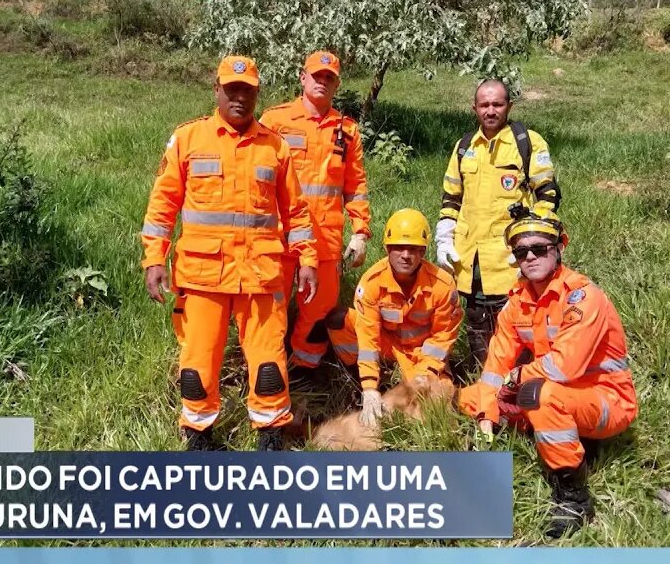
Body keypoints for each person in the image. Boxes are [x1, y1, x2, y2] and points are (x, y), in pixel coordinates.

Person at [140, 55, 319, 452]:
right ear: (216, 89)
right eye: (232, 89)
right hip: (203, 277)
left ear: (257, 94)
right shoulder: (188, 139)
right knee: (198, 363)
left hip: (261, 275)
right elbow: (162, 205)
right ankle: (199, 438)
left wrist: (307, 258)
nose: (240, 97)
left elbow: (296, 212)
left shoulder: (275, 147)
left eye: (248, 91)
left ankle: (270, 436)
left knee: (270, 364)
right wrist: (154, 258)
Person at [456, 207, 637, 539]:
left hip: (606, 402)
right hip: (551, 392)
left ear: (559, 248)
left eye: (539, 248)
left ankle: (574, 498)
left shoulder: (582, 298)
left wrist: (515, 380)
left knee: (538, 395)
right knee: (470, 396)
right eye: (521, 251)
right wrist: (486, 415)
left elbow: (562, 367)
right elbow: (495, 367)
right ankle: (560, 438)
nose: (530, 256)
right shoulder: (518, 303)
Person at [259, 50, 371, 380]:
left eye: (329, 78)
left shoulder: (346, 129)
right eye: (316, 75)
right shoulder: (275, 120)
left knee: (319, 308)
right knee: (271, 307)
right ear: (302, 77)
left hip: (325, 237)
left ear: (336, 84)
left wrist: (361, 230)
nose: (322, 82)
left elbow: (356, 185)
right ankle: (267, 370)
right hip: (279, 235)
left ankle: (304, 370)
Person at [436, 79, 561, 370]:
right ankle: (485, 386)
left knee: (517, 328)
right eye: (484, 105)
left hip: (511, 260)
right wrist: (445, 235)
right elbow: (451, 196)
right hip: (472, 260)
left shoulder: (526, 143)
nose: (490, 111)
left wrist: (531, 243)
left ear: (509, 106)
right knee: (478, 325)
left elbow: (548, 196)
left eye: (497, 104)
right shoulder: (464, 146)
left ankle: (520, 386)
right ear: (474, 108)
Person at [325, 208, 463, 427]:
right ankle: (361, 384)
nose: (405, 255)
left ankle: (402, 394)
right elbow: (368, 341)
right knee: (341, 322)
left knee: (439, 403)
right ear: (387, 249)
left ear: (423, 252)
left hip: (421, 355)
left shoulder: (443, 286)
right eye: (398, 248)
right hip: (387, 347)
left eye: (413, 249)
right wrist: (369, 387)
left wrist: (421, 378)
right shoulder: (372, 283)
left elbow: (441, 339)